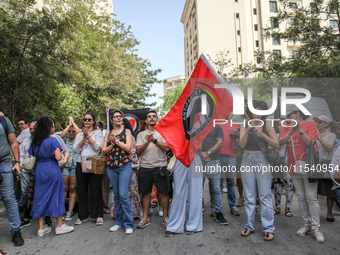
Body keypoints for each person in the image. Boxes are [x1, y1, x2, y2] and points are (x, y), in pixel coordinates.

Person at [279, 106, 324, 243]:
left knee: (311, 197)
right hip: (293, 166)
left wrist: (299, 130)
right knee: (301, 196)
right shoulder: (287, 126)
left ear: (297, 114)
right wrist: (289, 132)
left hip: (309, 165)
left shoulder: (310, 125)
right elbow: (279, 143)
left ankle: (316, 228)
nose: (287, 118)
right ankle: (306, 224)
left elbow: (311, 143)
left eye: (289, 115)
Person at [239, 100, 278, 241]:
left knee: (265, 196)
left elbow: (276, 144)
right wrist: (248, 130)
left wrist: (263, 135)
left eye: (261, 111)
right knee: (249, 196)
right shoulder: (244, 126)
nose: (258, 113)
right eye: (255, 110)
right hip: (247, 158)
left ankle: (268, 228)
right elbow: (242, 145)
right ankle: (249, 225)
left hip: (262, 160)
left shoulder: (268, 126)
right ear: (250, 111)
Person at [28, 116, 74, 236]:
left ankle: (41, 228)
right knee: (57, 195)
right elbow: (58, 157)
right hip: (52, 169)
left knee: (40, 197)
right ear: (49, 128)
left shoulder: (35, 141)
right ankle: (59, 225)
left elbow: (32, 154)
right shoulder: (53, 140)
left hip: (39, 170)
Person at [136, 110, 170, 229]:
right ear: (146, 120)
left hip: (160, 166)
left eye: (154, 116)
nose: (151, 118)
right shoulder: (141, 135)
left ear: (157, 119)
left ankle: (166, 218)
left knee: (163, 193)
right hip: (145, 167)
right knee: (145, 194)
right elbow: (138, 150)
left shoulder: (163, 132)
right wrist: (148, 141)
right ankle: (145, 218)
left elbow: (167, 148)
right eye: (149, 117)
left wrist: (154, 140)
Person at [102, 110, 134, 234]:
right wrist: (111, 143)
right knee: (116, 196)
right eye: (116, 117)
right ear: (112, 120)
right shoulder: (108, 134)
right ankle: (118, 222)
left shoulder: (127, 131)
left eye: (120, 116)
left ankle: (128, 224)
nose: (119, 118)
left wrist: (116, 141)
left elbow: (128, 148)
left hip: (124, 165)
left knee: (123, 194)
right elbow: (103, 151)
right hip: (111, 167)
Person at [73, 113, 104, 226]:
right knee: (81, 190)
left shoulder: (98, 133)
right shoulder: (79, 135)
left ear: (93, 121)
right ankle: (83, 215)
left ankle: (98, 215)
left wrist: (89, 137)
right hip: (81, 163)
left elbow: (98, 147)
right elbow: (75, 149)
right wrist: (83, 138)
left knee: (96, 189)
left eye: (89, 119)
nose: (86, 121)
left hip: (95, 163)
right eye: (85, 119)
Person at [110, 118, 143, 219]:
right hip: (116, 167)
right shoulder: (112, 136)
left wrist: (119, 144)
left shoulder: (130, 136)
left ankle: (135, 213)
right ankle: (118, 214)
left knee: (132, 190)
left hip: (129, 166)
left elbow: (132, 151)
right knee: (119, 192)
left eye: (123, 124)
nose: (121, 126)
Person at [165, 154, 203, 237]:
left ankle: (193, 225)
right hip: (181, 158)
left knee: (195, 193)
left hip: (195, 158)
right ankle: (174, 225)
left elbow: (199, 147)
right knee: (178, 192)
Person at [0, 115, 24, 246]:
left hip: (5, 163)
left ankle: (16, 231)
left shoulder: (3, 121)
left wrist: (17, 162)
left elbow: (14, 142)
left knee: (9, 198)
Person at [200, 125, 228, 225]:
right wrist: (201, 155)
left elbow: (220, 142)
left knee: (216, 189)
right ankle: (198, 211)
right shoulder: (198, 125)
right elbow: (194, 142)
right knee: (198, 189)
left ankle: (218, 213)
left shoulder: (217, 126)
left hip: (213, 160)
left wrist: (207, 153)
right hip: (199, 161)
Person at [313, 115, 337, 222]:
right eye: (317, 122)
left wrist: (318, 137)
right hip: (315, 164)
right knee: (314, 189)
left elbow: (329, 147)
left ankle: (329, 213)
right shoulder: (313, 134)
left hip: (327, 164)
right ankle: (314, 213)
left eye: (320, 122)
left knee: (329, 190)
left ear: (326, 124)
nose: (318, 124)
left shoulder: (332, 135)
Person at [60, 116, 81, 221]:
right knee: (64, 188)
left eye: (73, 131)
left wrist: (73, 122)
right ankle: (61, 210)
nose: (71, 133)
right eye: (70, 131)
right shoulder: (65, 140)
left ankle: (70, 211)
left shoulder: (78, 139)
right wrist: (69, 125)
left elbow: (79, 132)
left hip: (74, 165)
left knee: (73, 189)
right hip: (66, 165)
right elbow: (62, 134)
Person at [219, 117, 240, 216]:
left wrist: (238, 134)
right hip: (217, 156)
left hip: (231, 156)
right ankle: (217, 207)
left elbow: (242, 139)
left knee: (230, 181)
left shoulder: (234, 124)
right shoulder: (215, 124)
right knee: (218, 183)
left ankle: (233, 205)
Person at [273, 118, 294, 217]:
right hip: (278, 162)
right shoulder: (276, 136)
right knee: (278, 185)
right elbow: (277, 145)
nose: (282, 126)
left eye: (285, 124)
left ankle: (287, 208)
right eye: (280, 124)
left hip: (288, 163)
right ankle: (277, 207)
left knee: (289, 185)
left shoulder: (292, 136)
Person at [231, 99, 248, 207]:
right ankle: (241, 196)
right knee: (240, 173)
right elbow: (232, 134)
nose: (244, 109)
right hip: (238, 148)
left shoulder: (252, 118)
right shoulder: (235, 118)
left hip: (251, 147)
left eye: (246, 107)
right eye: (242, 107)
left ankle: (255, 198)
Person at [18, 122, 36, 213]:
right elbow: (21, 155)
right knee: (25, 191)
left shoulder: (42, 141)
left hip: (36, 170)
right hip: (25, 170)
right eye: (31, 129)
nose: (32, 131)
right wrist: (20, 166)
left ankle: (35, 212)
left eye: (34, 129)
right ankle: (24, 211)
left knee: (36, 191)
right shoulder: (25, 141)